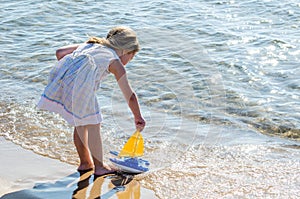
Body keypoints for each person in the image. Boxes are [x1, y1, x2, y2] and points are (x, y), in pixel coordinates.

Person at [37, 26, 146, 176]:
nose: (129, 61)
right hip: (80, 87)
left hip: (62, 81)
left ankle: (85, 163)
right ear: (126, 50)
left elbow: (60, 53)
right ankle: (99, 167)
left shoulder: (91, 44)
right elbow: (130, 95)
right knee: (94, 123)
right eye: (131, 57)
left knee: (81, 123)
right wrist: (138, 116)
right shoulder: (115, 62)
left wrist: (75, 71)